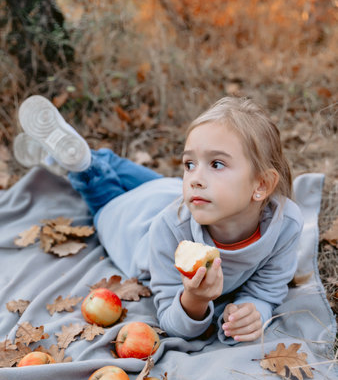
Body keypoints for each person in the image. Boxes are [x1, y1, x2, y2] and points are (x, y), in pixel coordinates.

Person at [14, 95, 303, 344]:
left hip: (164, 193)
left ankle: (74, 157)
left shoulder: (285, 223)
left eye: (216, 164)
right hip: (131, 222)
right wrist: (197, 299)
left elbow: (266, 290)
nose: (195, 179)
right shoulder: (171, 230)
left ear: (261, 185)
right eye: (189, 164)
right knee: (104, 194)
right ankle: (80, 165)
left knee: (151, 182)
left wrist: (253, 310)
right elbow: (170, 318)